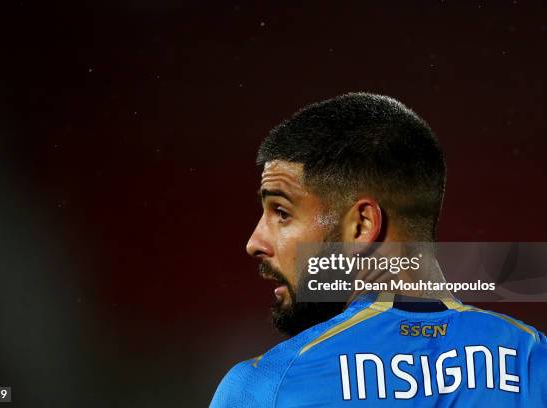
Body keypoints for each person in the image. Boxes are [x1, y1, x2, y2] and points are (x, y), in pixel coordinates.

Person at [210, 93, 547, 407]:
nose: (255, 242)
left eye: (281, 213)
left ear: (361, 226)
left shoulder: (267, 386)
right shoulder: (533, 361)